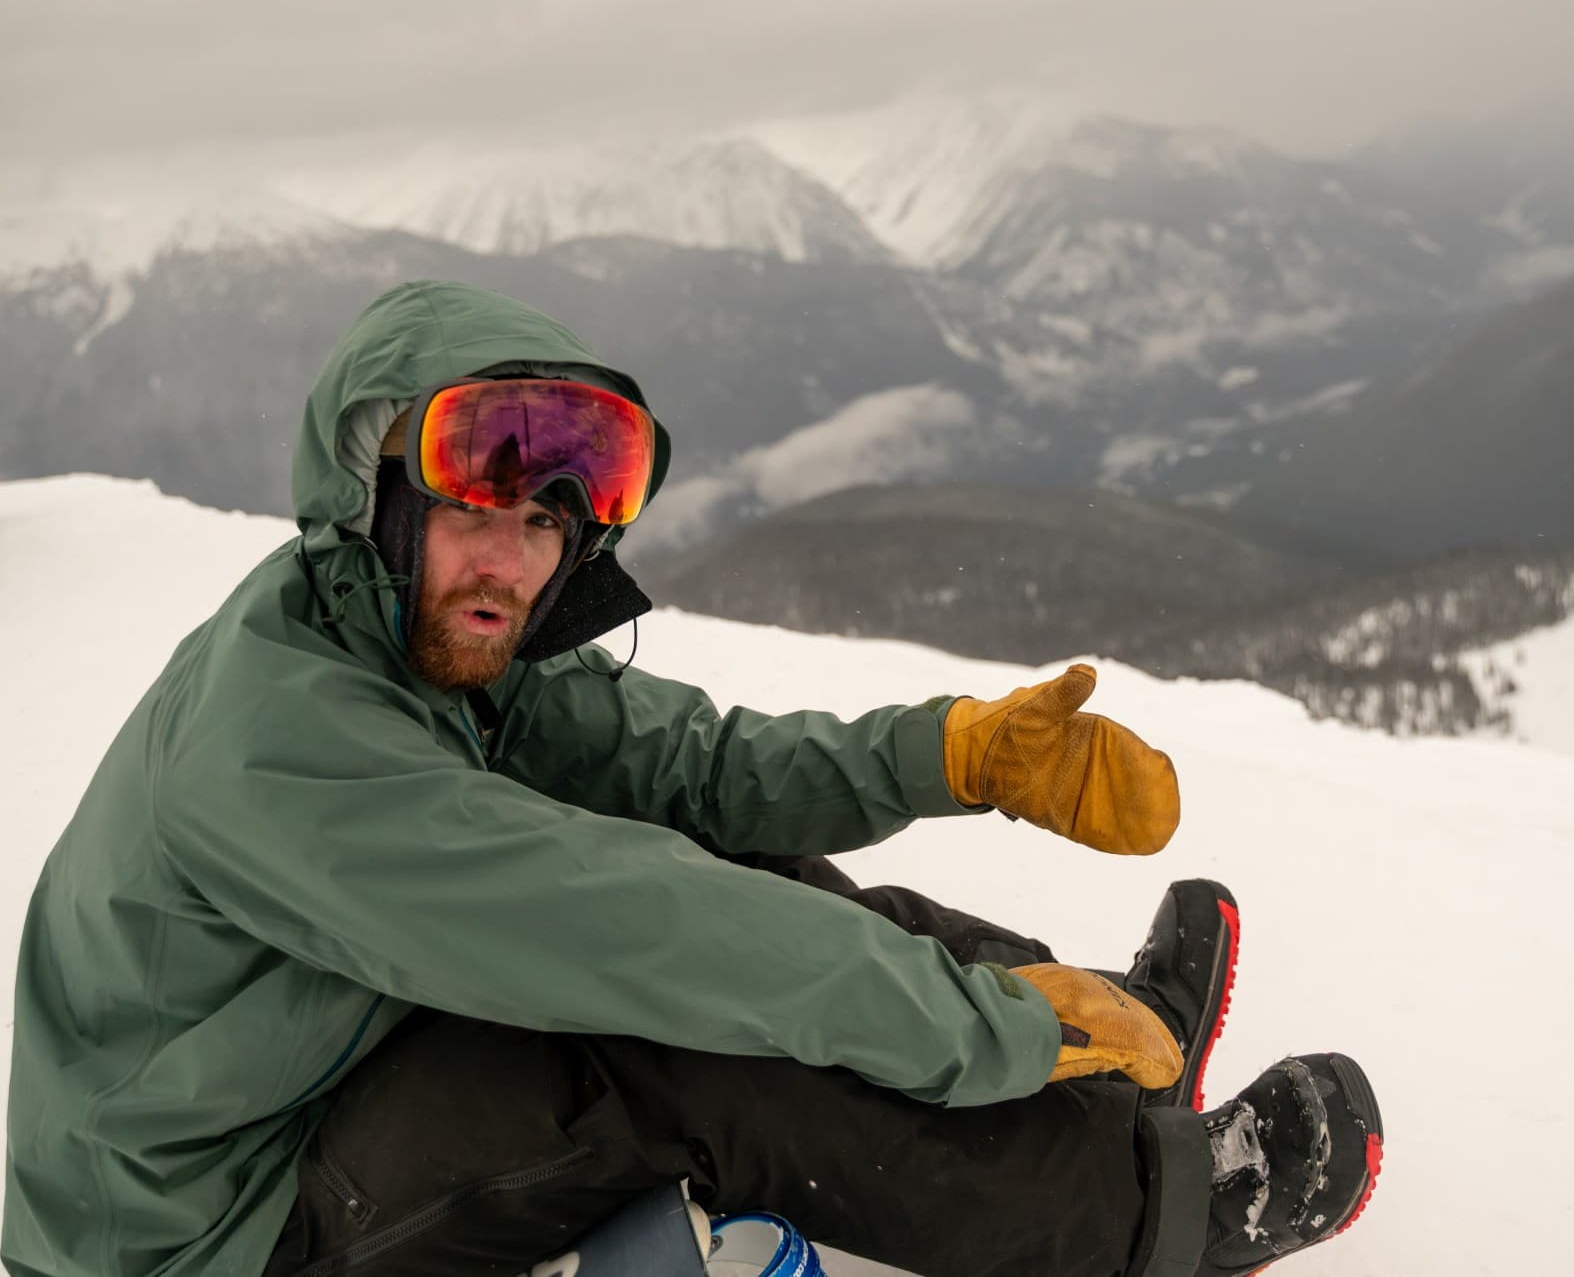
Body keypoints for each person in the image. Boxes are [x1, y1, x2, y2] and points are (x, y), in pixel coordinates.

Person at [3, 280, 1382, 1277]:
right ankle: (1156, 1213)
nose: (513, 562)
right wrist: (980, 1027)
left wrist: (952, 752)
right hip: (212, 1229)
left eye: (546, 526)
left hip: (302, 1076)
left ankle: (1109, 1064)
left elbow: (691, 770)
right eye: (477, 511)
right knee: (678, 1037)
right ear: (374, 493)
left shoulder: (402, 622)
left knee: (733, 869)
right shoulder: (281, 741)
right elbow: (640, 932)